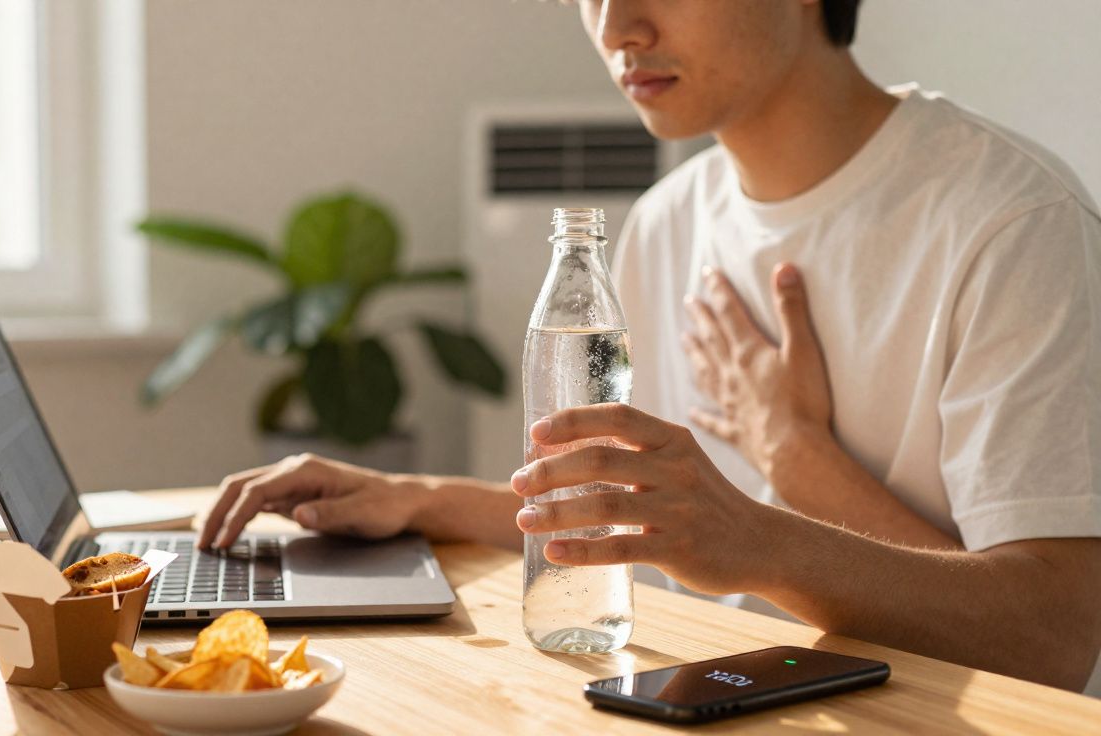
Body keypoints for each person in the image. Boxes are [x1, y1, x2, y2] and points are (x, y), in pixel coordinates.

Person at [198, 0, 1101, 692]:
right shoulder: (671, 217)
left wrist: (792, 462)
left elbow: (1056, 640)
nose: (616, 27)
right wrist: (420, 499)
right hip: (727, 692)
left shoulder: (1014, 224)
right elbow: (648, 516)